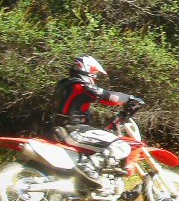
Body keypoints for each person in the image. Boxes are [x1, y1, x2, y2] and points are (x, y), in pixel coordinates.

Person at [52, 55, 144, 187]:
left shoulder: (65, 84)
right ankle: (87, 169)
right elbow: (106, 96)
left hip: (62, 128)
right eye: (94, 74)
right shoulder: (80, 85)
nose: (95, 77)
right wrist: (129, 99)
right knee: (120, 145)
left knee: (103, 144)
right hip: (74, 130)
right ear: (86, 69)